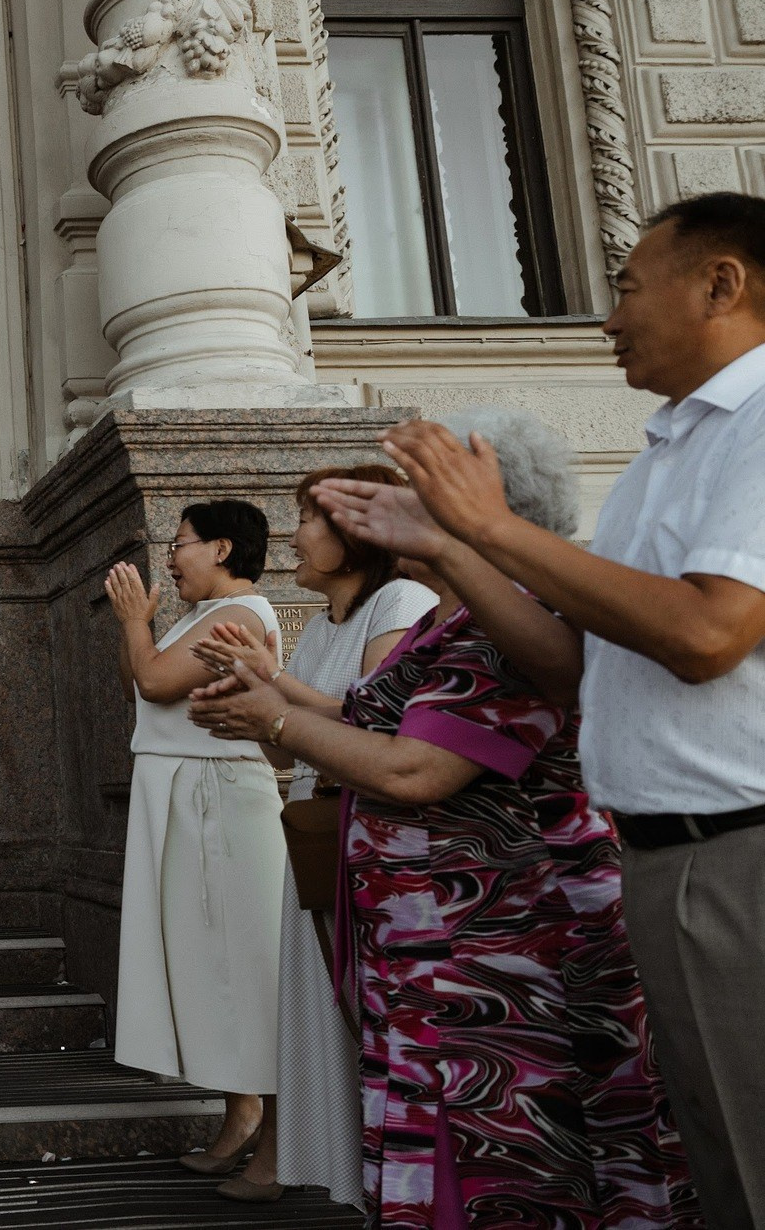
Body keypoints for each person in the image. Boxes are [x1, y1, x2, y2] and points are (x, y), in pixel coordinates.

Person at [319, 195, 765, 1230]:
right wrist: (449, 550)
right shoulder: (665, 452)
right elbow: (576, 669)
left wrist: (482, 525)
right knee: (722, 1162)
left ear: (719, 284)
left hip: (738, 851)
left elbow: (704, 635)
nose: (605, 319)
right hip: (668, 858)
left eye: (622, 286)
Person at [194, 408, 699, 1228]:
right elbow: (363, 726)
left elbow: (418, 769)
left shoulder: (520, 617)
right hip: (436, 961)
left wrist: (274, 720)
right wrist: (270, 696)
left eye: (423, 487)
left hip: (507, 959)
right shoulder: (441, 617)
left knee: (519, 1172)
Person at [186, 467, 436, 1207]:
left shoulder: (401, 600)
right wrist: (246, 704)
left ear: (356, 532)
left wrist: (273, 689)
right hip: (318, 833)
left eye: (309, 519)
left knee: (363, 1012)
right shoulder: (323, 621)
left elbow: (377, 722)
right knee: (319, 1009)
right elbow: (292, 751)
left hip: (371, 839)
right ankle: (332, 1171)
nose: (296, 535)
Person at [104, 499, 285, 1180]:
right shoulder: (202, 617)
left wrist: (134, 624)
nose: (171, 556)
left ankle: (267, 1127)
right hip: (191, 798)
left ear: (223, 549)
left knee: (242, 962)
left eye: (180, 543)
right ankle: (242, 1110)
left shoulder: (242, 613)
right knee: (211, 965)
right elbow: (140, 684)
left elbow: (151, 679)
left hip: (220, 806)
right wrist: (140, 631)